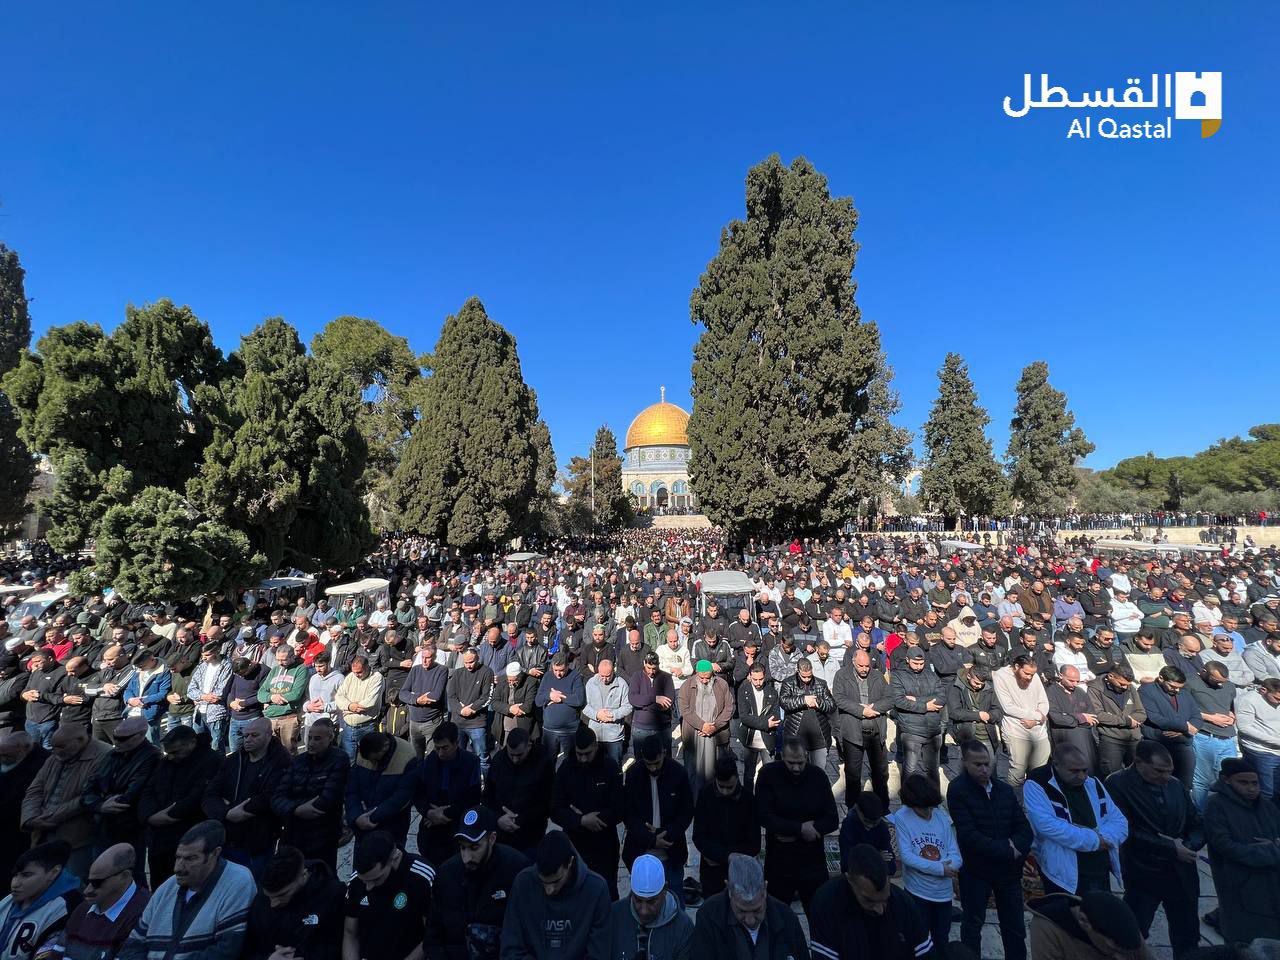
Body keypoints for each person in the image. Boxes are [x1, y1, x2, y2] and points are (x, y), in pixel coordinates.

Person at [1104, 741, 1204, 958]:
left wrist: (1187, 847)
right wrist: (1169, 847)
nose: (1165, 777)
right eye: (1159, 771)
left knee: (1187, 933)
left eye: (1169, 772)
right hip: (1144, 871)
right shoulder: (1117, 784)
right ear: (1139, 763)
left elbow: (1196, 823)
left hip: (1181, 871)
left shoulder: (1175, 785)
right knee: (1132, 934)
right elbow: (1124, 830)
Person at [118, 820, 255, 960]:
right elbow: (133, 945)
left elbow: (226, 951)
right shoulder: (167, 887)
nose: (178, 868)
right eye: (178, 857)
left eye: (190, 859)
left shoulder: (237, 881)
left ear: (215, 853)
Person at [947, 739, 1031, 960]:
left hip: (1008, 873)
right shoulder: (957, 790)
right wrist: (1007, 849)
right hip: (977, 871)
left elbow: (1023, 827)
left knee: (1014, 927)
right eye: (977, 765)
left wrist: (1017, 848)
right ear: (965, 763)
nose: (984, 769)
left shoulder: (1003, 790)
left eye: (987, 764)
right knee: (973, 924)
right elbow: (969, 835)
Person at [1024, 744, 1128, 895]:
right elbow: (1047, 825)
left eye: (1084, 770)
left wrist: (1105, 838)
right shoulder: (1038, 783)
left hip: (1099, 867)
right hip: (1063, 873)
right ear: (1056, 765)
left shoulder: (1093, 783)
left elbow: (1120, 821)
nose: (1081, 776)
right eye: (1074, 771)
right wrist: (1096, 840)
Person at [425, 806, 527, 960]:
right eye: (462, 848)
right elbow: (433, 935)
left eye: (474, 848)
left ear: (492, 839)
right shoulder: (447, 874)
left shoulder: (516, 870)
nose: (467, 857)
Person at [754, 737, 837, 919]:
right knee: (776, 917)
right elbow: (763, 816)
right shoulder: (768, 775)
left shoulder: (818, 776)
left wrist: (796, 832)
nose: (796, 768)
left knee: (819, 915)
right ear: (782, 757)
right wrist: (800, 829)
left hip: (812, 862)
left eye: (800, 762)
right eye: (791, 763)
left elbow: (831, 819)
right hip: (780, 863)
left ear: (806, 756)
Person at [499, 830, 611, 960]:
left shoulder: (596, 889)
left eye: (556, 881)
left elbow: (599, 954)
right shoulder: (523, 883)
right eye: (543, 882)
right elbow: (511, 948)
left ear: (570, 863)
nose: (549, 890)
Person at [810, 843, 934, 960]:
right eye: (870, 901)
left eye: (886, 900)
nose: (880, 910)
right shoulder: (827, 902)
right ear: (850, 880)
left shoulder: (903, 902)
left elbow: (925, 954)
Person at [1203, 756, 1280, 944]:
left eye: (1255, 783)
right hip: (1238, 884)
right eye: (1243, 783)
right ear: (1226, 780)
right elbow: (1226, 846)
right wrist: (1273, 851)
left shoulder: (1267, 806)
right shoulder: (1216, 806)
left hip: (1271, 884)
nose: (1251, 788)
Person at [201, 717, 289, 879]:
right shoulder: (234, 760)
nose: (248, 739)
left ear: (269, 735)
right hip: (228, 837)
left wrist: (234, 807)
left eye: (254, 735)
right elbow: (210, 794)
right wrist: (226, 812)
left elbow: (270, 796)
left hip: (259, 839)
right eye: (245, 735)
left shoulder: (281, 762)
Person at [20, 724, 110, 882]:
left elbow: (88, 796)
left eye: (61, 746)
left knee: (72, 884)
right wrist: (31, 817)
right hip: (43, 833)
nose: (55, 751)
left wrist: (50, 817)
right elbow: (35, 789)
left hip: (78, 837)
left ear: (80, 740)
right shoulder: (56, 756)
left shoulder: (104, 755)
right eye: (54, 747)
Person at [137, 724, 222, 886]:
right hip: (158, 837)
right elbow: (148, 790)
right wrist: (149, 816)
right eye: (168, 753)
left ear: (191, 743)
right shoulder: (166, 762)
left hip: (187, 832)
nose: (170, 757)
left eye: (175, 752)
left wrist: (170, 815)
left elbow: (198, 796)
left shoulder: (211, 761)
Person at [550, 727, 625, 901]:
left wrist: (596, 819)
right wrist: (580, 820)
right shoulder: (566, 769)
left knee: (606, 895)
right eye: (579, 754)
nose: (583, 758)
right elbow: (554, 809)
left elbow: (619, 809)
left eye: (587, 754)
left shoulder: (610, 768)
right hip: (574, 844)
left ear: (596, 747)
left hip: (604, 845)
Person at [890, 773, 962, 955]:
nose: (928, 812)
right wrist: (940, 868)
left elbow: (954, 851)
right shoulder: (902, 817)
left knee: (941, 940)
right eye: (923, 808)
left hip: (943, 895)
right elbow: (907, 856)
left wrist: (951, 866)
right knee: (916, 941)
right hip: (918, 893)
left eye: (931, 807)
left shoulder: (941, 817)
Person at [688, 853, 809, 960]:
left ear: (765, 889)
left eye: (757, 910)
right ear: (729, 889)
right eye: (741, 911)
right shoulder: (709, 916)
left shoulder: (786, 917)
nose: (750, 920)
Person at [270, 718, 349, 870]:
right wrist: (296, 809)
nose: (311, 743)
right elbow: (277, 797)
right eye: (309, 737)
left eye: (317, 738)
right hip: (292, 833)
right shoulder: (298, 761)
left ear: (330, 738)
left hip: (322, 835)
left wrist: (293, 808)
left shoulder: (339, 759)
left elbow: (328, 798)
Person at [342, 830, 434, 960]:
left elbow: (432, 934)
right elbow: (350, 932)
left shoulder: (421, 878)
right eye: (365, 881)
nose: (368, 887)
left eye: (376, 879)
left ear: (394, 857)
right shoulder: (357, 880)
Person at [623, 735, 693, 904]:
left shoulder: (679, 773)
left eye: (656, 763)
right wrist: (651, 840)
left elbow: (687, 812)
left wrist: (666, 834)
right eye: (649, 764)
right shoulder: (633, 775)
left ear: (663, 754)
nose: (653, 768)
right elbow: (628, 815)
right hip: (640, 850)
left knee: (675, 902)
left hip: (672, 851)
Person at [242, 844, 344, 960]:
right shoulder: (262, 897)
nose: (273, 904)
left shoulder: (332, 895)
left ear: (303, 875)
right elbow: (248, 948)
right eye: (269, 897)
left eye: (282, 895)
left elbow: (336, 946)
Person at [81, 717, 159, 867]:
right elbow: (90, 785)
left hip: (129, 826)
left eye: (123, 739)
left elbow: (133, 793)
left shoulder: (151, 757)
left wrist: (102, 803)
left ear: (140, 736)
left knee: (129, 871)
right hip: (104, 823)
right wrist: (99, 805)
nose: (117, 742)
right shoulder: (113, 755)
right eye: (116, 737)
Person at [62, 844, 150, 960]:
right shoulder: (82, 909)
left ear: (124, 876)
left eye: (97, 883)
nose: (88, 890)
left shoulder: (144, 913)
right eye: (87, 881)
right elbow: (57, 953)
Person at [414, 721, 483, 867]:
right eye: (437, 748)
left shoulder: (471, 763)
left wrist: (446, 814)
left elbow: (473, 797)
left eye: (445, 748)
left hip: (457, 827)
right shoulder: (429, 762)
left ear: (456, 743)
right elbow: (418, 792)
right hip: (431, 828)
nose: (441, 753)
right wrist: (429, 812)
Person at [692, 755, 760, 898]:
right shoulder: (705, 795)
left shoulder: (748, 800)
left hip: (741, 872)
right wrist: (726, 856)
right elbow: (699, 837)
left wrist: (731, 857)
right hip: (712, 873)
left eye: (729, 787)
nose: (725, 791)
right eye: (721, 786)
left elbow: (754, 842)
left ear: (736, 778)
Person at [832, 649, 892, 809]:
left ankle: (883, 808)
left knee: (880, 773)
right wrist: (861, 711)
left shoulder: (878, 676)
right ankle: (852, 808)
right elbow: (839, 698)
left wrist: (874, 708)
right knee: (853, 774)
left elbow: (890, 698)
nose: (865, 669)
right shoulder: (841, 675)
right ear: (853, 662)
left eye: (867, 666)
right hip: (853, 732)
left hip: (876, 731)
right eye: (861, 666)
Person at [606, 853, 693, 960]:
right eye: (638, 900)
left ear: (664, 890)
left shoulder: (683, 927)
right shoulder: (614, 917)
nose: (644, 911)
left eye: (651, 902)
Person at [482, 728, 553, 857]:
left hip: (532, 834)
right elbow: (487, 797)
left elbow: (549, 799)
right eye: (511, 755)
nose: (515, 759)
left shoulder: (543, 761)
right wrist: (498, 819)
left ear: (529, 746)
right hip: (501, 833)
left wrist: (520, 819)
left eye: (519, 755)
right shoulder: (498, 761)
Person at [1027, 890, 1153, 960]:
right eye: (1112, 950)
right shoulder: (1046, 930)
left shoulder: (1124, 930)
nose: (1120, 958)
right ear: (1084, 922)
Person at [347, 730, 420, 848]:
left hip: (393, 826)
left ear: (385, 747)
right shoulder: (363, 752)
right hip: (363, 825)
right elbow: (352, 790)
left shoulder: (406, 754)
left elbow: (401, 797)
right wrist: (356, 817)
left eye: (376, 760)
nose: (372, 764)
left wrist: (370, 817)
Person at [677, 660, 734, 797]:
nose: (704, 681)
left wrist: (714, 727)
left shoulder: (721, 684)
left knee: (713, 773)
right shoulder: (686, 686)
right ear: (696, 674)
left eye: (707, 677)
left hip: (716, 735)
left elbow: (729, 708)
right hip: (694, 734)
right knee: (693, 773)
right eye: (701, 677)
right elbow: (685, 710)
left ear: (713, 674)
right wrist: (702, 725)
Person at [993, 655, 1051, 788]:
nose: (1029, 677)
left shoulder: (1033, 675)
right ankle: (1016, 803)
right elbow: (1008, 707)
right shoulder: (1001, 676)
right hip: (1016, 730)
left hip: (1038, 730)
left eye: (1032, 674)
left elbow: (1044, 701)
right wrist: (1036, 716)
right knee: (1018, 770)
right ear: (1016, 667)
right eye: (1026, 673)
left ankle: (1034, 802)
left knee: (1039, 771)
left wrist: (1036, 720)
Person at [1139, 665, 1200, 791]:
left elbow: (1196, 717)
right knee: (1158, 785)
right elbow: (1154, 717)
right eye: (1172, 686)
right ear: (1161, 678)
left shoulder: (1184, 693)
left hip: (1183, 744)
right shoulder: (1146, 691)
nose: (1176, 690)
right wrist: (1185, 727)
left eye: (1179, 687)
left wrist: (1185, 732)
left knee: (1184, 786)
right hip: (1159, 744)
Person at [890, 647, 944, 786]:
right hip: (911, 729)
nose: (919, 667)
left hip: (933, 729)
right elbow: (899, 701)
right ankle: (907, 801)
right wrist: (926, 706)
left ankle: (934, 802)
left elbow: (942, 697)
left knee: (932, 770)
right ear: (907, 660)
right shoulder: (897, 675)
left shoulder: (931, 675)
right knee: (910, 770)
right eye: (915, 663)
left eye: (921, 663)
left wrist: (916, 700)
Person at [0, 733, 48, 883]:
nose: (3, 758)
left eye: (7, 755)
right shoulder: (6, 759)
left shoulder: (42, 763)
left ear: (25, 749)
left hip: (19, 827)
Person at [1087, 664, 1146, 777]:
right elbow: (1098, 714)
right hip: (1111, 740)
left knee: (1137, 776)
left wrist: (1114, 718)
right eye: (1121, 684)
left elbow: (1142, 713)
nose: (1125, 687)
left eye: (1127, 685)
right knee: (1111, 776)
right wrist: (1127, 721)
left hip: (1134, 738)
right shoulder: (1096, 688)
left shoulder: (1129, 687)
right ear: (1110, 676)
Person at [449, 649, 496, 777]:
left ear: (478, 659)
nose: (468, 665)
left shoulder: (487, 672)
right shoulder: (458, 673)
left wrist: (472, 708)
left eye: (471, 662)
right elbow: (451, 696)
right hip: (458, 722)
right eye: (466, 662)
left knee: (482, 757)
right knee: (457, 756)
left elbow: (487, 696)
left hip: (477, 723)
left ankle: (484, 787)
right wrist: (461, 709)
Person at [399, 644, 450, 759]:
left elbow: (435, 696)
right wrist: (416, 699)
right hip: (414, 722)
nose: (424, 661)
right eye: (422, 657)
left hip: (431, 722)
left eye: (428, 657)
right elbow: (402, 693)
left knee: (432, 758)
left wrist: (412, 696)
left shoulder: (442, 670)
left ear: (435, 657)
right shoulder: (415, 670)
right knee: (416, 758)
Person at [1234, 677, 1280, 802]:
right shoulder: (1248, 700)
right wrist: (1276, 741)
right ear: (1263, 690)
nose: (1278, 702)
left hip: (1277, 751)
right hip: (1260, 751)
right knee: (1267, 791)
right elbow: (1244, 728)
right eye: (1276, 698)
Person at [735, 661, 780, 786]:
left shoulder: (772, 692)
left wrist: (758, 721)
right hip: (750, 739)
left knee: (769, 775)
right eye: (755, 679)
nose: (758, 683)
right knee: (749, 774)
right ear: (750, 676)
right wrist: (766, 723)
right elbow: (744, 717)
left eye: (760, 679)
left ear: (764, 676)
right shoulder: (743, 691)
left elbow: (775, 716)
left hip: (767, 739)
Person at [534, 653, 584, 765]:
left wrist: (560, 698)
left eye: (561, 670)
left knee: (571, 764)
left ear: (567, 666)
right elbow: (538, 700)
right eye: (555, 670)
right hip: (549, 730)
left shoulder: (575, 676)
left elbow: (579, 700)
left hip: (569, 730)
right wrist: (550, 696)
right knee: (547, 764)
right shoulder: (547, 676)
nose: (558, 674)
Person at [257, 646, 307, 754]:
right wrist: (271, 697)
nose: (280, 663)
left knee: (288, 752)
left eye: (283, 660)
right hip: (270, 717)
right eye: (278, 659)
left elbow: (295, 694)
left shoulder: (301, 669)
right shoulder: (275, 670)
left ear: (292, 656)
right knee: (270, 753)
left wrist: (273, 699)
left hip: (288, 718)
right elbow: (260, 694)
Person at [1047, 665, 1099, 768]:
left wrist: (1070, 717)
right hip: (1063, 739)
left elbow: (1092, 716)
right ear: (1061, 676)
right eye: (1071, 680)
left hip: (1085, 740)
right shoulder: (1051, 691)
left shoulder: (1080, 692)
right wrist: (1081, 718)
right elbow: (1056, 717)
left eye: (1077, 681)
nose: (1075, 684)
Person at [838, 793, 898, 878]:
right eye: (866, 821)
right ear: (857, 810)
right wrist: (876, 857)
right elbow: (847, 864)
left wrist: (862, 859)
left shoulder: (881, 826)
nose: (870, 826)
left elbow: (891, 867)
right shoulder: (849, 825)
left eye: (874, 823)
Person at [583, 660, 632, 766]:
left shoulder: (622, 684)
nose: (604, 679)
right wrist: (596, 715)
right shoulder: (591, 683)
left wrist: (613, 715)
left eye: (608, 676)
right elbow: (584, 705)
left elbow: (628, 706)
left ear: (613, 671)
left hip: (614, 736)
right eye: (602, 675)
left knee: (614, 768)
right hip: (595, 735)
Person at [336, 654, 384, 759]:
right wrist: (349, 706)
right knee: (348, 761)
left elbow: (370, 702)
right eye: (354, 672)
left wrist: (347, 708)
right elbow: (339, 697)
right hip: (348, 727)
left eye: (359, 672)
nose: (356, 675)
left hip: (367, 727)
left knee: (368, 761)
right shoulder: (350, 677)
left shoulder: (377, 678)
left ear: (367, 667)